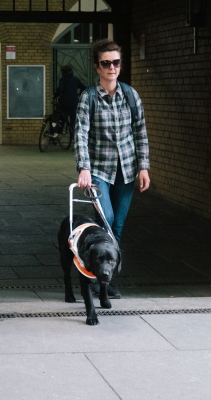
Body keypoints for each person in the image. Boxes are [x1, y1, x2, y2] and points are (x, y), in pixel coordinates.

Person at [75, 39, 151, 298]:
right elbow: (81, 134)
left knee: (116, 225)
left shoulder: (131, 95)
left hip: (127, 169)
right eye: (106, 63)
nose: (112, 67)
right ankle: (95, 277)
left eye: (116, 62)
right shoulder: (89, 98)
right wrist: (84, 168)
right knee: (105, 219)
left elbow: (140, 132)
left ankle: (105, 281)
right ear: (97, 67)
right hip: (99, 170)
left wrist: (144, 167)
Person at [54, 64, 86, 134]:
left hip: (64, 103)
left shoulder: (62, 80)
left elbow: (60, 89)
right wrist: (79, 94)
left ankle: (59, 131)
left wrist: (55, 95)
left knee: (61, 117)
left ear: (63, 72)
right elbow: (84, 87)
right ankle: (74, 137)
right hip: (74, 103)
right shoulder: (75, 80)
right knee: (73, 121)